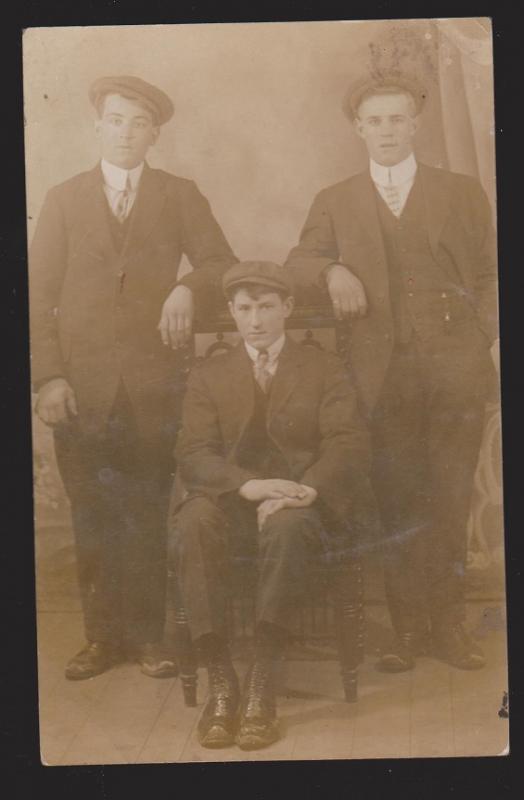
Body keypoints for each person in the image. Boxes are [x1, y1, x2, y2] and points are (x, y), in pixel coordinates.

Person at [285, 72, 499, 673]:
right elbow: (298, 260)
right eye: (375, 120)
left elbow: (491, 272)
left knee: (450, 498)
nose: (386, 130)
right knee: (399, 502)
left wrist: (482, 334)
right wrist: (331, 272)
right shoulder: (336, 198)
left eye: (397, 118)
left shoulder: (460, 192)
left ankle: (450, 627)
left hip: (454, 370)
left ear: (415, 124)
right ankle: (409, 631)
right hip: (379, 378)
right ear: (359, 128)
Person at [29, 75, 238, 680]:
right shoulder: (65, 198)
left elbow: (219, 262)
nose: (126, 132)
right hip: (81, 392)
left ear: (154, 134)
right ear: (98, 125)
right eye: (116, 120)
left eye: (138, 123)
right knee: (91, 512)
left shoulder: (178, 194)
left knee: (146, 512)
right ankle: (102, 639)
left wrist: (184, 287)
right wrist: (49, 380)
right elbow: (36, 297)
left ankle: (148, 637)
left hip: (153, 387)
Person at [171, 260, 371, 750]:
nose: (255, 320)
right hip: (230, 504)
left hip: (301, 507)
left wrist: (307, 490)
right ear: (232, 313)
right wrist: (249, 486)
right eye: (244, 309)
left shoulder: (323, 367)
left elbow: (348, 441)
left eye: (265, 307)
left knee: (286, 528)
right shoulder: (209, 373)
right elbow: (192, 454)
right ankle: (221, 677)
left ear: (288, 308)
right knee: (194, 522)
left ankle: (262, 679)